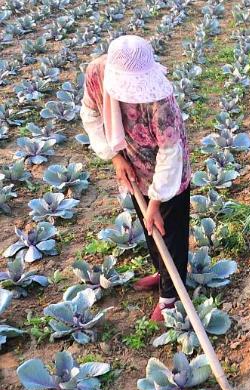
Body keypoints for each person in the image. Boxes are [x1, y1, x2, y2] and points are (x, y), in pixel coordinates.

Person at [80, 35, 191, 322]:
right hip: (132, 162)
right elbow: (90, 114)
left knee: (169, 229)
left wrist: (156, 201)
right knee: (149, 227)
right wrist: (115, 157)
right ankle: (161, 272)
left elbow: (170, 152)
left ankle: (171, 296)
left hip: (168, 171)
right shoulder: (97, 75)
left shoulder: (161, 103)